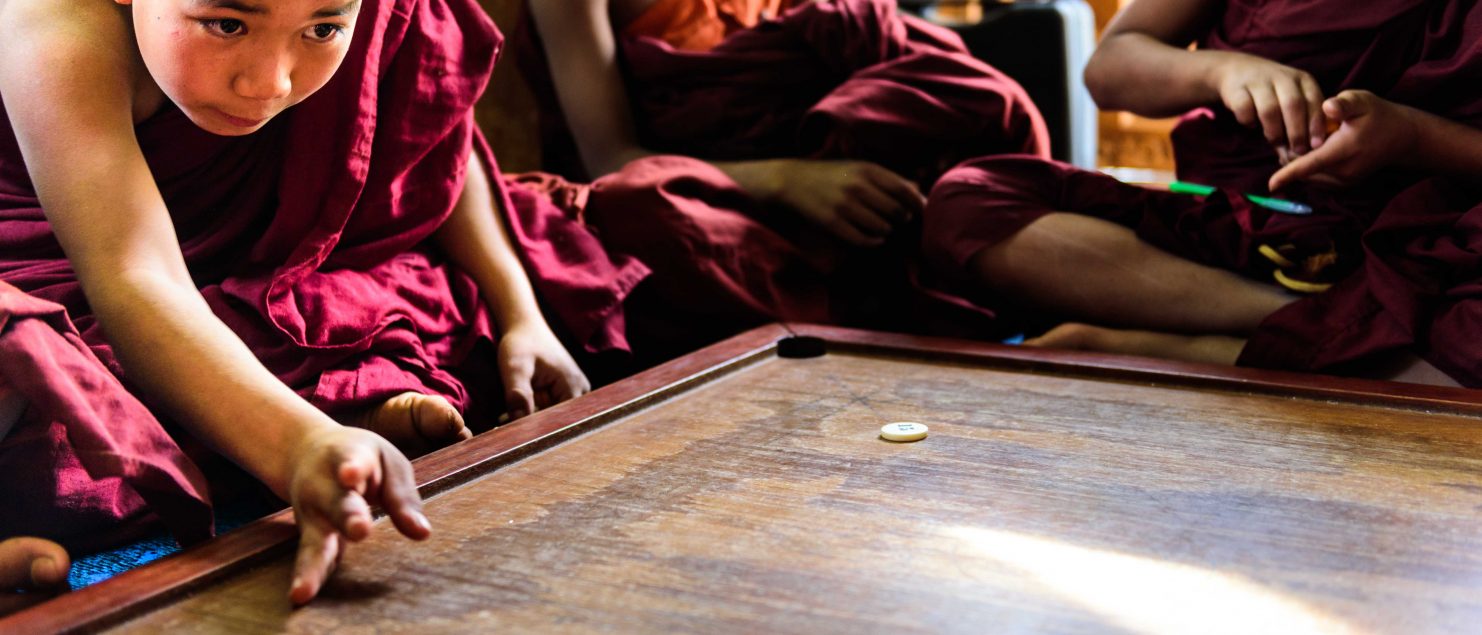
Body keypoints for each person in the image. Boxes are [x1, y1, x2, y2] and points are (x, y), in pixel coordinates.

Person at [0, 0, 613, 604]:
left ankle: (300, 407)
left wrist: (521, 314)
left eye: (323, 28)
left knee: (543, 269)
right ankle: (327, 404)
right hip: (76, 260)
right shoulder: (51, 23)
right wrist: (300, 448)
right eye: (227, 24)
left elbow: (432, 139)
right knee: (40, 378)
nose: (270, 82)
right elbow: (134, 273)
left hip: (259, 266)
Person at [922, 0, 1482, 386]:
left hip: (1437, 244)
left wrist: (1414, 139)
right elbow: (1110, 69)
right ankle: (1302, 323)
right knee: (969, 202)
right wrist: (1220, 71)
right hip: (1243, 235)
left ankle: (1193, 350)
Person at [521, 0, 1050, 360]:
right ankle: (882, 306)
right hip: (714, 200)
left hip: (832, 156)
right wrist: (788, 180)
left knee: (988, 100)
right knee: (640, 210)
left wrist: (843, 146)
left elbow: (843, 44)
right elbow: (611, 157)